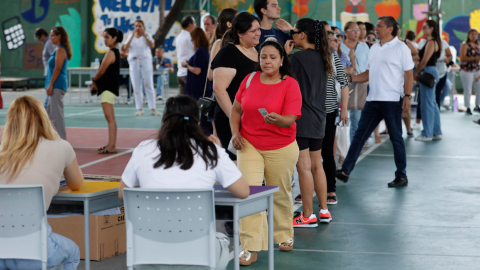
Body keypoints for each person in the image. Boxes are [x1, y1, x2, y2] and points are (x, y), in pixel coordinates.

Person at [118, 95, 250, 270]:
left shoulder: (143, 149)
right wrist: (219, 150)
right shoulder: (210, 151)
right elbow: (243, 191)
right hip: (198, 253)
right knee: (222, 243)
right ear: (197, 123)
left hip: (147, 253)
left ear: (164, 121)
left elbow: (122, 193)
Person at [231, 39, 301, 264]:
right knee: (249, 193)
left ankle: (284, 234)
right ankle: (250, 247)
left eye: (272, 57)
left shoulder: (290, 84)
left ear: (282, 60)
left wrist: (278, 119)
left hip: (281, 146)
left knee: (280, 193)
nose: (267, 61)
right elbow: (235, 110)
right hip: (249, 143)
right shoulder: (249, 79)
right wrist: (235, 133)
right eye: (263, 57)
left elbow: (289, 119)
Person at [0, 96, 84, 270]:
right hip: (36, 253)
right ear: (43, 118)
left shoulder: (2, 152)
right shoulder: (61, 146)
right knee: (74, 253)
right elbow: (77, 184)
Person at [336, 16, 414, 188]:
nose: (375, 29)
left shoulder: (401, 48)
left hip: (392, 100)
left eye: (379, 26)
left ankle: (401, 175)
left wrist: (407, 96)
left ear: (389, 29)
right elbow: (368, 73)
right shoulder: (374, 48)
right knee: (359, 136)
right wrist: (351, 78)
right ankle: (345, 171)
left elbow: (409, 74)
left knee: (396, 139)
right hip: (373, 100)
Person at [284, 19, 335, 226]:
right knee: (317, 166)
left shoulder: (297, 58)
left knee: (303, 167)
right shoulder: (325, 57)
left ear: (302, 35)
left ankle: (307, 215)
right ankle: (323, 210)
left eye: (294, 32)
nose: (291, 36)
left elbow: (281, 77)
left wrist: (285, 56)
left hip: (301, 119)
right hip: (319, 119)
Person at [211, 12, 261, 160]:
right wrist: (236, 120)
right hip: (231, 120)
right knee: (237, 167)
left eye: (258, 29)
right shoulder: (228, 53)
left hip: (253, 120)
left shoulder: (257, 50)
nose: (258, 33)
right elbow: (219, 90)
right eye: (253, 31)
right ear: (239, 33)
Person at [325, 30, 350, 204]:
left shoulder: (334, 58)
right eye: (332, 40)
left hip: (328, 111)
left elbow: (344, 83)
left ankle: (330, 189)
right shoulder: (307, 57)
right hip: (309, 113)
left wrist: (344, 110)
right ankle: (307, 189)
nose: (335, 42)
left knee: (327, 152)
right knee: (308, 155)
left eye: (336, 39)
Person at [90, 28, 123, 154]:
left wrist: (94, 81)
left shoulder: (111, 53)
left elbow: (102, 71)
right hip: (109, 88)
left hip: (108, 89)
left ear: (114, 38)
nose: (104, 40)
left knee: (110, 118)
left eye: (107, 37)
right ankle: (111, 144)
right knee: (110, 118)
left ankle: (112, 146)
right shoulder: (114, 52)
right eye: (104, 37)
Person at [124, 20, 161, 116]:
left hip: (145, 62)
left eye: (140, 26)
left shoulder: (147, 35)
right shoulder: (130, 36)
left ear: (143, 27)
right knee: (136, 86)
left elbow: (152, 45)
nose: (138, 28)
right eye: (136, 26)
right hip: (134, 62)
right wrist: (132, 35)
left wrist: (144, 35)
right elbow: (125, 47)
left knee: (149, 85)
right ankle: (140, 109)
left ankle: (153, 108)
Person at [414, 20, 442, 142]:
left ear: (431, 29)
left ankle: (427, 133)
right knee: (432, 103)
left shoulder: (431, 42)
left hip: (428, 72)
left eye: (425, 27)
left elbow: (424, 61)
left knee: (426, 104)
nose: (423, 29)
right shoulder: (433, 42)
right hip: (431, 71)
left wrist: (416, 72)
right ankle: (436, 131)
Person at [341, 21, 370, 143]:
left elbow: (369, 64)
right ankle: (339, 148)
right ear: (346, 32)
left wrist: (367, 78)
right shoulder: (339, 46)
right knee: (340, 117)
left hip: (359, 84)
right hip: (342, 84)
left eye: (358, 30)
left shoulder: (364, 46)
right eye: (353, 30)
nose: (356, 33)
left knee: (356, 117)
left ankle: (354, 144)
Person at [183, 27, 213, 135]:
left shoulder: (200, 51)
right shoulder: (204, 50)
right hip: (201, 86)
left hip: (198, 87)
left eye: (192, 39)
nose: (192, 42)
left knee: (197, 112)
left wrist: (187, 65)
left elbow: (197, 70)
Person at [45, 26, 72, 140]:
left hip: (57, 85)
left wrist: (51, 84)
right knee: (48, 114)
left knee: (56, 115)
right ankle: (51, 138)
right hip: (55, 85)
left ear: (59, 36)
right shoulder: (57, 49)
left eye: (52, 35)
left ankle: (61, 140)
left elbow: (57, 68)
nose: (50, 38)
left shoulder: (60, 50)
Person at [419, 35, 453, 109]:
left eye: (426, 27)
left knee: (434, 97)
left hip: (439, 71)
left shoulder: (442, 43)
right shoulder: (422, 42)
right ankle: (426, 116)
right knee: (427, 97)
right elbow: (418, 57)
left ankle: (436, 110)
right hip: (427, 72)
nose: (424, 30)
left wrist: (447, 59)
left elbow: (450, 56)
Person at [459, 28, 480, 115]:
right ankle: (467, 107)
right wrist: (475, 58)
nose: (474, 36)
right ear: (469, 35)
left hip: (477, 69)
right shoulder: (465, 45)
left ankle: (477, 105)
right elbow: (463, 57)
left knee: (479, 89)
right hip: (467, 70)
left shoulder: (478, 44)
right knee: (468, 89)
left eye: (476, 34)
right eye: (472, 34)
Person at [35, 27, 57, 108]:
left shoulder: (49, 43)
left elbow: (54, 57)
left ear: (43, 35)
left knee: (49, 91)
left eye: (39, 38)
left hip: (50, 71)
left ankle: (45, 109)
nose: (39, 40)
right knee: (49, 92)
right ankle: (47, 109)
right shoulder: (47, 43)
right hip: (49, 71)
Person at [176, 15, 196, 95]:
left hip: (180, 73)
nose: (195, 25)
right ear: (190, 25)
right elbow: (197, 50)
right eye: (194, 23)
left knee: (182, 102)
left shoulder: (179, 37)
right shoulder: (189, 37)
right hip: (188, 73)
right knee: (191, 100)